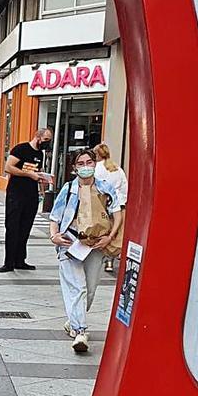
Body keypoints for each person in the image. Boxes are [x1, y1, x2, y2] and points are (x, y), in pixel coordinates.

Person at [48, 149, 123, 353]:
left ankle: (72, 321)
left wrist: (110, 236)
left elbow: (117, 213)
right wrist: (54, 236)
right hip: (70, 242)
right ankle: (81, 331)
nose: (85, 167)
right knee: (78, 288)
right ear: (74, 168)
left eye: (89, 162)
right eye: (81, 163)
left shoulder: (105, 187)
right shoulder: (69, 189)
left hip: (96, 244)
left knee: (89, 290)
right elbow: (55, 216)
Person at [0, 128, 54, 273]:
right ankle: (8, 262)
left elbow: (36, 173)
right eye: (46, 139)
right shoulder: (21, 149)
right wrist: (28, 175)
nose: (47, 143)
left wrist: (42, 181)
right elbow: (8, 167)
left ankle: (20, 260)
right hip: (16, 194)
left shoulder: (39, 154)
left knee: (25, 228)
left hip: (31, 195)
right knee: (12, 228)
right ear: (37, 136)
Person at [94, 143, 129, 273]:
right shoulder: (117, 169)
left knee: (103, 231)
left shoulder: (97, 169)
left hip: (103, 205)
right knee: (116, 234)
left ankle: (101, 257)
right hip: (119, 205)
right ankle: (110, 260)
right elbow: (125, 188)